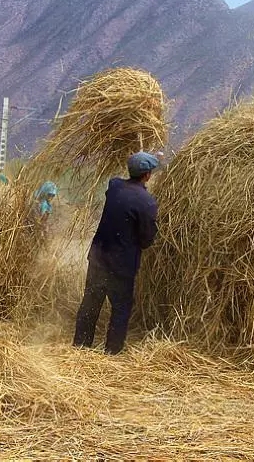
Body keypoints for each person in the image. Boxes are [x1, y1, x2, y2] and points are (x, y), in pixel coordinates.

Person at [73, 151, 159, 354]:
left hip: (98, 259)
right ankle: (112, 352)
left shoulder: (115, 186)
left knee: (91, 303)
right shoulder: (147, 202)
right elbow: (147, 240)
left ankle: (80, 346)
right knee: (120, 309)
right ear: (147, 175)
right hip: (122, 266)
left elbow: (119, 182)